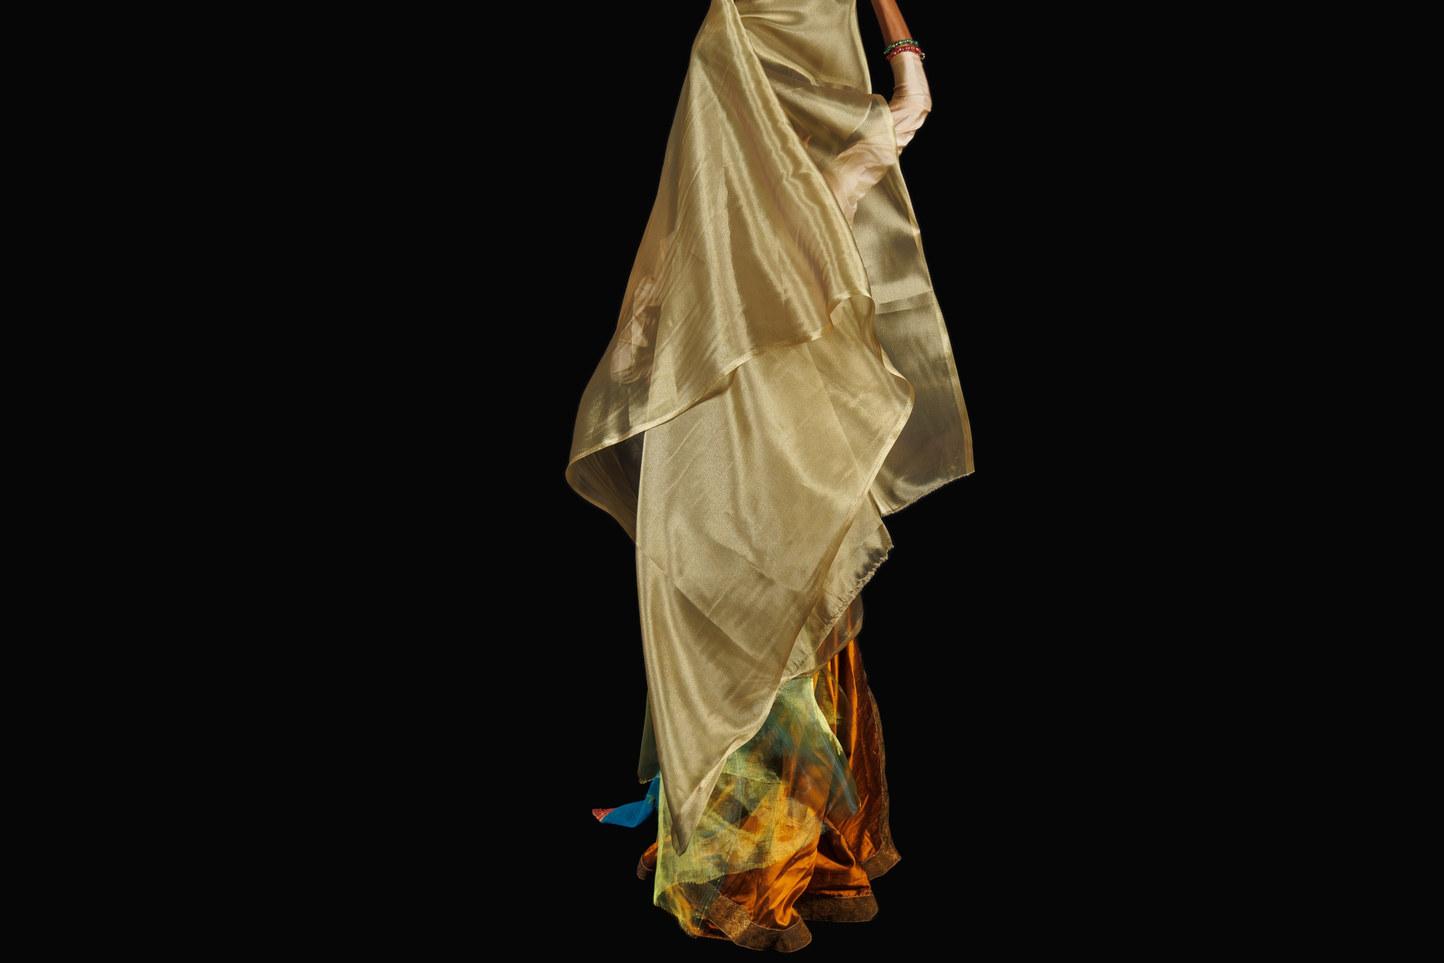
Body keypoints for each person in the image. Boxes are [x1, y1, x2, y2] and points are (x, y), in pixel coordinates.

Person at [566, 0, 975, 950]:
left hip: (764, 412)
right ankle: (701, 815)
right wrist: (894, 33)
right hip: (753, 412)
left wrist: (892, 36)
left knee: (763, 602)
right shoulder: (745, 70)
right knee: (746, 598)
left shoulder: (762, 89)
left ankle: (736, 830)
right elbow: (907, 103)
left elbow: (684, 269)